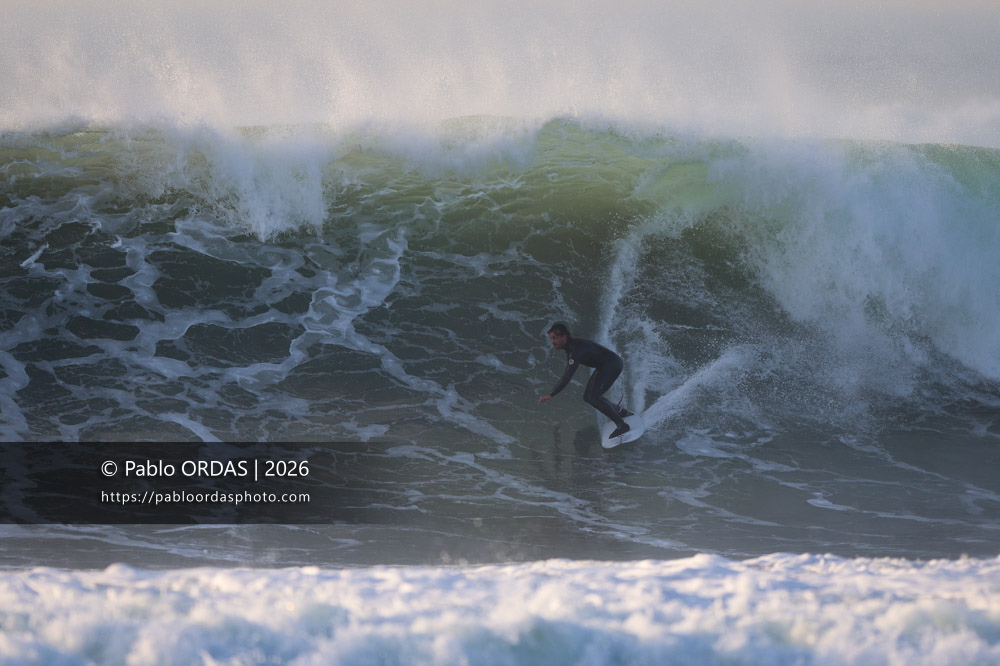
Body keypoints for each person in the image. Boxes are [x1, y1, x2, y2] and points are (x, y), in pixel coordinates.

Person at [537, 322, 632, 438]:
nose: (552, 342)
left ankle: (622, 425)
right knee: (588, 397)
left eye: (555, 338)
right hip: (605, 365)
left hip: (611, 365)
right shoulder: (572, 345)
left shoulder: (574, 352)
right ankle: (621, 412)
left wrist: (551, 394)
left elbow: (567, 376)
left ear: (564, 337)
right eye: (551, 338)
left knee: (593, 397)